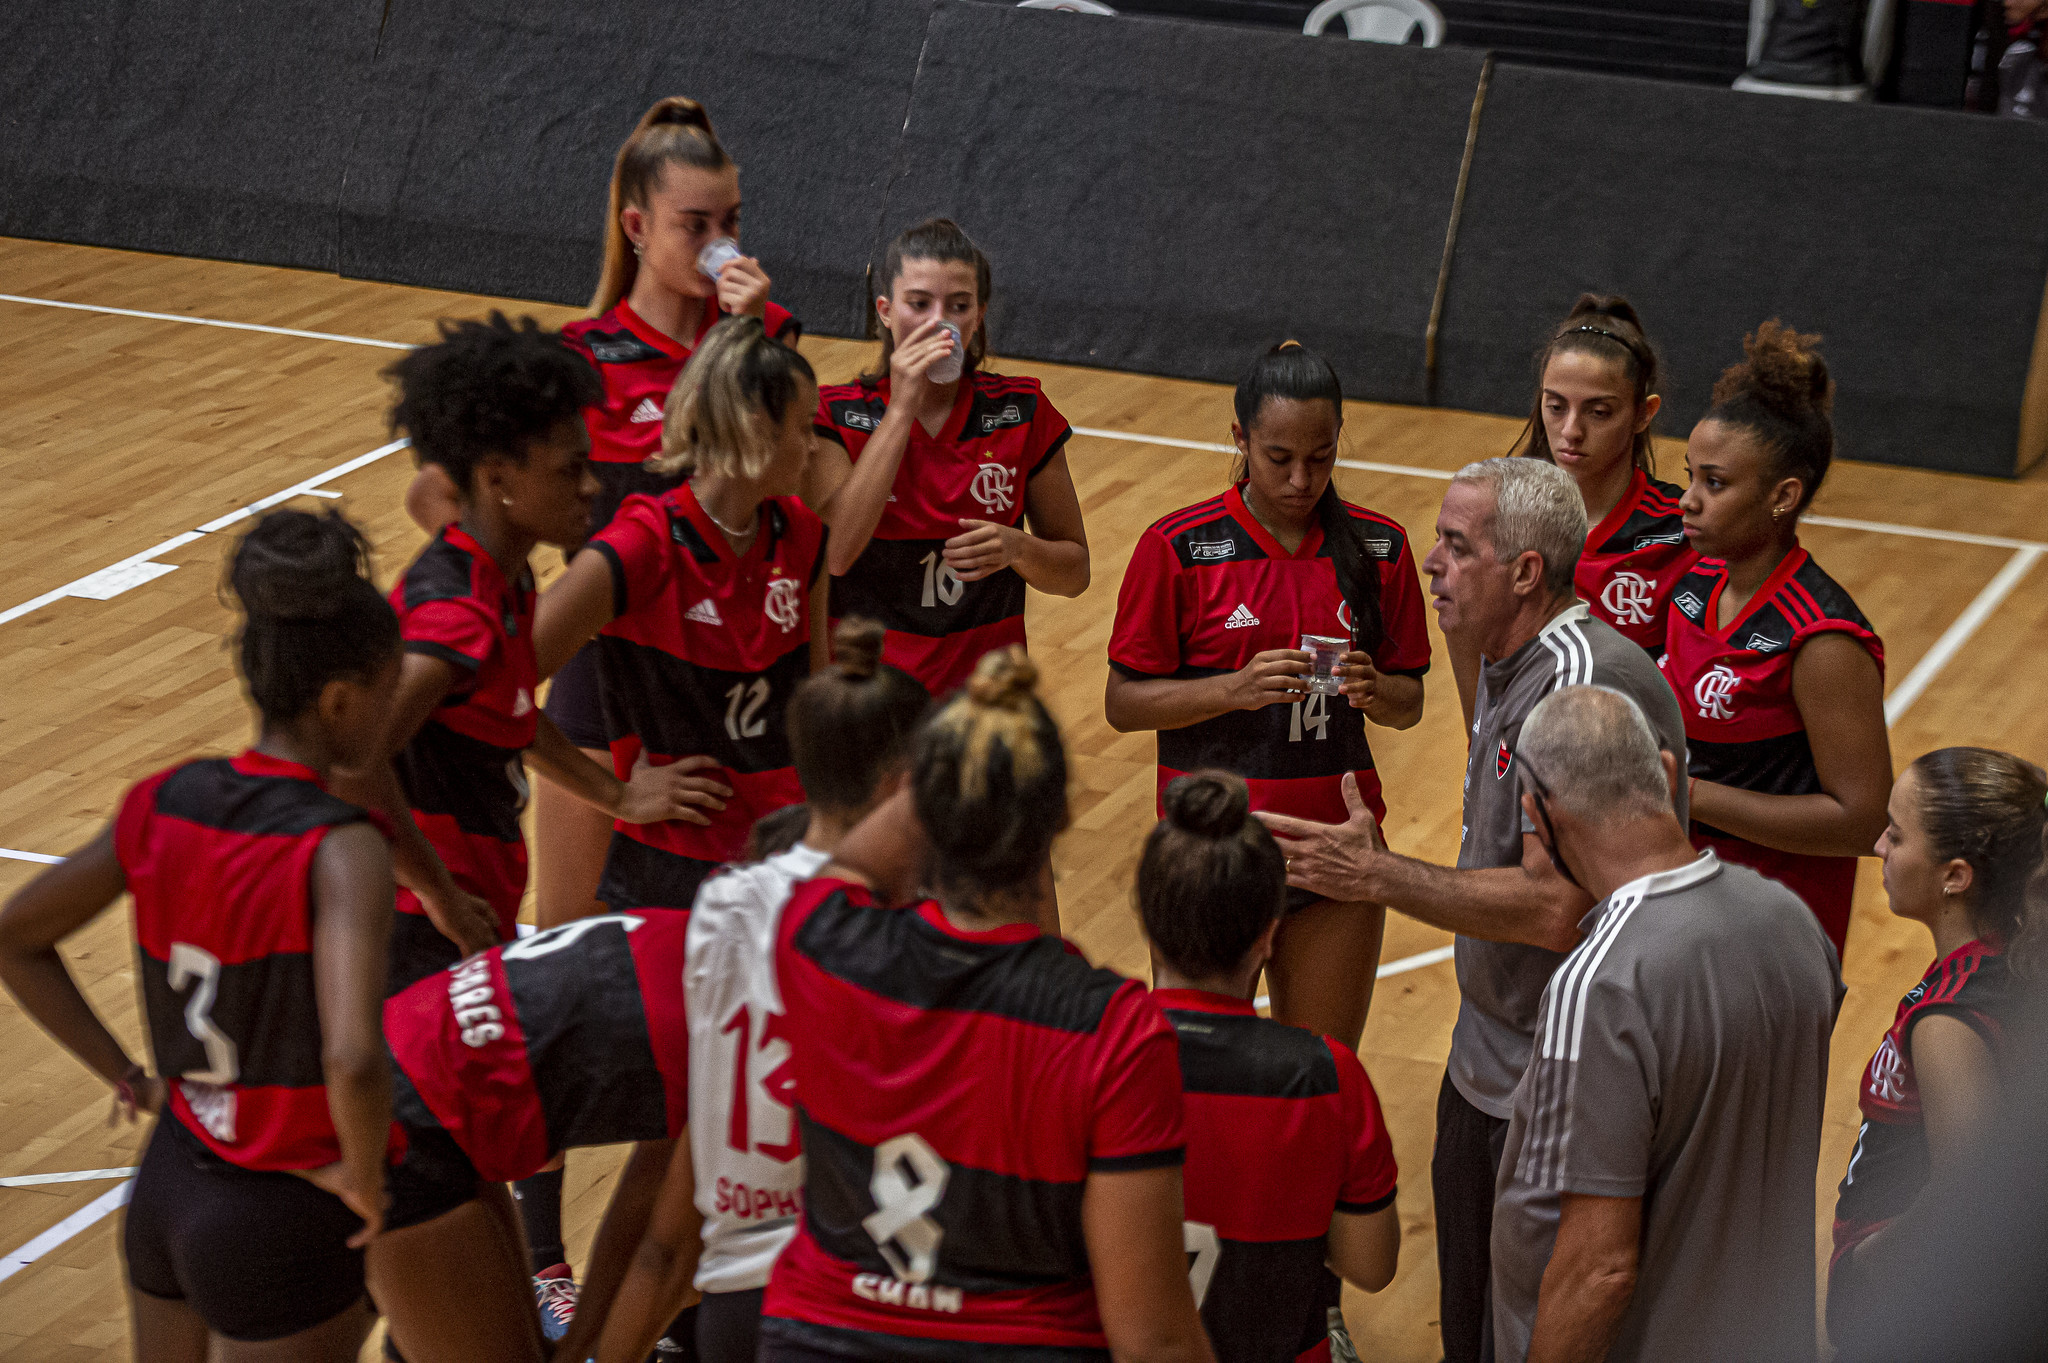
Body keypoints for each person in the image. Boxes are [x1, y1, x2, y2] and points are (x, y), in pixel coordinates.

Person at [1256, 457, 1687, 1363]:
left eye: (1457, 546)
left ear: (1526, 572)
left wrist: (1378, 875)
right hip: (1485, 1058)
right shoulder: (1505, 655)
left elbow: (1555, 908)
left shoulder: (1579, 688)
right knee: (1470, 1333)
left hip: (1565, 1082)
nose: (1429, 562)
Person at [0, 510, 399, 1362]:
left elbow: (14, 936)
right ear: (339, 698)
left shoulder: (166, 798)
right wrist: (364, 1179)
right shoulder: (342, 846)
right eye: (388, 687)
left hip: (170, 1181)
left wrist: (128, 1077)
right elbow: (354, 1055)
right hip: (286, 1207)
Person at [757, 649, 1215, 1363]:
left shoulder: (815, 934)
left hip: (816, 1339)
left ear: (922, 800)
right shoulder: (1115, 1030)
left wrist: (952, 763)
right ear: (1057, 815)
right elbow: (1152, 1338)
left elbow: (856, 858)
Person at [588, 618, 931, 1363]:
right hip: (852, 1291)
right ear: (900, 783)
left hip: (737, 1299)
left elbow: (695, 1150)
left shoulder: (722, 904)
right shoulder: (904, 929)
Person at [1489, 685, 1841, 1363]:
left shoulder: (1601, 983)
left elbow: (1601, 1269)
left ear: (1538, 812)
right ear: (1670, 774)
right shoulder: (1795, 922)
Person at [364, 313, 709, 1003]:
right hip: (409, 939)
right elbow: (351, 760)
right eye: (572, 469)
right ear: (498, 480)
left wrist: (617, 796)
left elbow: (507, 709)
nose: (592, 488)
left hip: (458, 923)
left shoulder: (508, 577)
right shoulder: (455, 618)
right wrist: (439, 894)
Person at [1106, 342, 1430, 1048]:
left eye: (1320, 455)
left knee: (1320, 1075)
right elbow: (1123, 703)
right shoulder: (1179, 549)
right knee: (1193, 1087)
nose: (1300, 477)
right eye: (1278, 456)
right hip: (1212, 855)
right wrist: (1235, 688)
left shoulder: (1382, 549)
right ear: (1239, 437)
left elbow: (1411, 702)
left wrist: (1379, 690)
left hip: (1336, 852)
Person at [535, 315, 829, 918]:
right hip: (671, 882)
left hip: (783, 865)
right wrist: (617, 796)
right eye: (803, 428)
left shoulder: (802, 536)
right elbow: (493, 681)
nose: (815, 446)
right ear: (755, 429)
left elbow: (819, 704)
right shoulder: (643, 545)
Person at [1142, 770, 1400, 1362]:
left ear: (1152, 928)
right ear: (1268, 936)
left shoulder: (1088, 1059)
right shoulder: (1327, 1077)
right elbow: (1371, 1264)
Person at [377, 908, 698, 1363]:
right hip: (400, 1119)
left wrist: (581, 1344)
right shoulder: (756, 1024)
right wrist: (586, 1348)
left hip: (417, 1066)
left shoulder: (720, 928)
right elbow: (662, 1251)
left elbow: (649, 1210)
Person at [1663, 321, 1891, 957]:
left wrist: (1689, 794)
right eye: (1689, 476)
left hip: (1775, 927)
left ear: (1783, 496)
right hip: (1680, 894)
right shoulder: (1692, 590)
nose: (1687, 501)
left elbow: (1863, 821)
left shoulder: (1821, 639)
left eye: (1715, 483)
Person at [812, 217, 1090, 699]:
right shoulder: (837, 413)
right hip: (871, 700)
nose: (938, 322)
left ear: (978, 315)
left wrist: (1017, 548)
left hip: (982, 706)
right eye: (919, 304)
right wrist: (900, 410)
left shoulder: (1021, 412)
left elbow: (1074, 573)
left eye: (957, 306)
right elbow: (837, 553)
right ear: (884, 310)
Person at [1827, 748, 2047, 1355]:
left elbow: (1969, 1202)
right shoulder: (2014, 957)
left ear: (1955, 874)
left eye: (1896, 835)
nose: (1878, 846)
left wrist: (1869, 1266)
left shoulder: (1948, 1021)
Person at [1510, 297, 1685, 657]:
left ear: (1643, 413)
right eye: (1556, 407)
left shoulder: (1681, 534)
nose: (1571, 430)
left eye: (1599, 412)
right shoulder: (1502, 516)